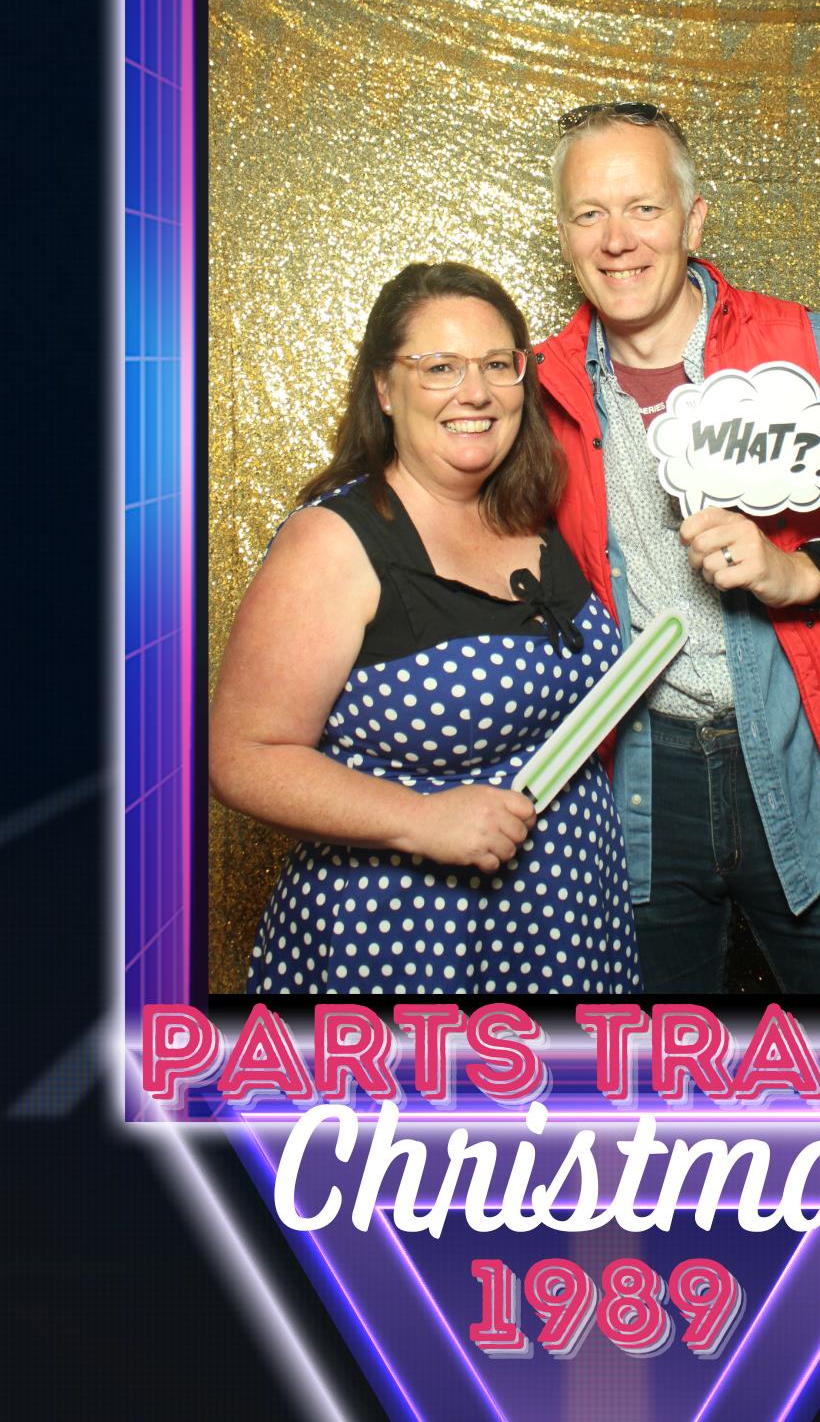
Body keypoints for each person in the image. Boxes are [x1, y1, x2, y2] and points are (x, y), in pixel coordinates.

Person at [534, 101, 820, 995]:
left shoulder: (811, 352)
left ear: (694, 221)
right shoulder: (535, 391)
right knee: (653, 1070)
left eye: (644, 208)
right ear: (564, 235)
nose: (617, 240)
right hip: (638, 784)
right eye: (589, 214)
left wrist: (803, 572)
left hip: (811, 762)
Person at [210, 261, 640, 997]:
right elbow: (241, 758)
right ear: (385, 388)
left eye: (497, 364)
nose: (476, 392)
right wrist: (420, 819)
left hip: (569, 917)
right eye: (440, 367)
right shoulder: (334, 541)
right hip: (407, 934)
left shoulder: (531, 513)